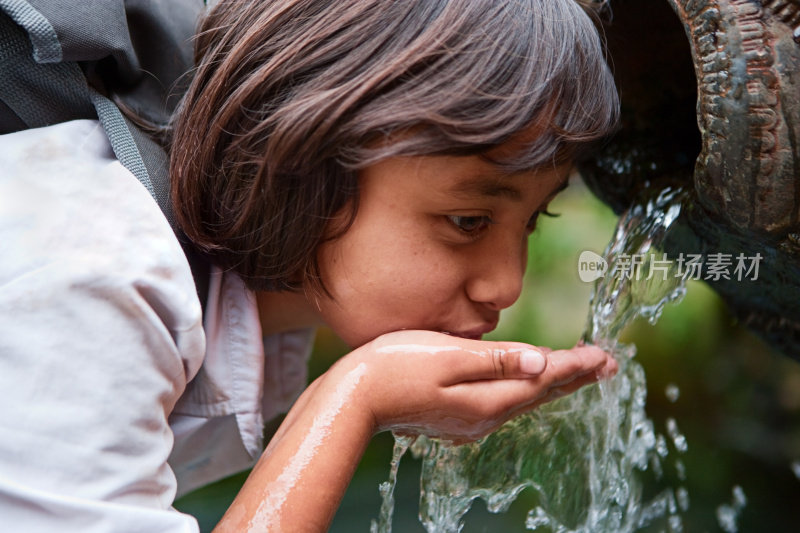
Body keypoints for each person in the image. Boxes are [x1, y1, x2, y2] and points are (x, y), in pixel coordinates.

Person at [0, 0, 619, 531]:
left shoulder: (245, 301)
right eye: (468, 221)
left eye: (534, 221)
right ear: (307, 159)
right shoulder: (99, 275)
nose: (506, 285)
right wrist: (353, 399)